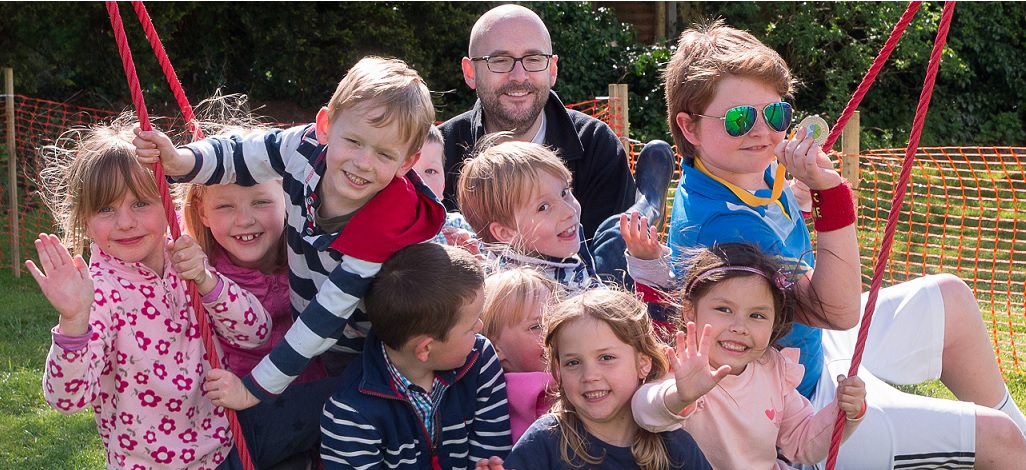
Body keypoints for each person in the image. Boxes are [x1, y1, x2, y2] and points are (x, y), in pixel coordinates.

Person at [657, 20, 1026, 468]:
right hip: (794, 412)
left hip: (812, 350)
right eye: (739, 119)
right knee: (1000, 440)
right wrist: (831, 196)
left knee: (950, 298)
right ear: (689, 128)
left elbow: (777, 226)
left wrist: (796, 195)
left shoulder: (742, 172)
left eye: (775, 115)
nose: (761, 131)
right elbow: (839, 311)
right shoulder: (720, 223)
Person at [133, 56, 446, 409]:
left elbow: (322, 321)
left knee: (348, 431)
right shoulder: (303, 148)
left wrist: (253, 389)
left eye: (384, 154)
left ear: (406, 163)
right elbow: (240, 153)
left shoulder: (384, 220)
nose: (363, 162)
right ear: (325, 125)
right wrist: (182, 162)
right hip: (318, 344)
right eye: (355, 141)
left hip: (374, 352)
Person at [26, 117, 271, 469]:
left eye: (140, 203)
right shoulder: (99, 294)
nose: (125, 222)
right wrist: (74, 321)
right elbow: (68, 399)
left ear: (167, 202)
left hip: (221, 452)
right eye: (106, 209)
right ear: (84, 218)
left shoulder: (184, 258)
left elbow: (255, 332)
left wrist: (205, 280)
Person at [629, 243, 867, 469]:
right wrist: (679, 397)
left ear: (774, 323)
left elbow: (803, 443)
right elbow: (643, 412)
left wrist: (843, 411)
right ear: (690, 311)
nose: (739, 327)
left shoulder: (774, 370)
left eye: (757, 316)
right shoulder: (682, 367)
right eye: (724, 309)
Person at [440, 4, 638, 243]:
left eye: (533, 59)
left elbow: (610, 264)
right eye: (500, 61)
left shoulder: (595, 146)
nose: (519, 76)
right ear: (470, 72)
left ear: (552, 69)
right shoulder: (439, 154)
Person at [181, 179, 340, 468]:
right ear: (203, 213)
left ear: (286, 200)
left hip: (315, 400)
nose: (244, 220)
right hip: (251, 413)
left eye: (261, 202)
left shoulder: (309, 259)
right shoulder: (200, 274)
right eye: (224, 206)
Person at [319, 242, 512, 469]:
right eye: (470, 327)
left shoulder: (479, 360)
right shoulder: (350, 414)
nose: (480, 327)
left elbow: (492, 444)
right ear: (425, 349)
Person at [502, 289, 712, 470]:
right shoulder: (544, 441)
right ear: (558, 370)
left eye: (606, 358)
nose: (590, 376)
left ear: (643, 364)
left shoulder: (674, 446)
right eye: (573, 363)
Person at [481, 266, 561, 442]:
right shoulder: (493, 407)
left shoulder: (585, 375)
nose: (553, 332)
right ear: (495, 349)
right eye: (535, 327)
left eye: (558, 320)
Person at [414, 124, 480, 254]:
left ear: (443, 185)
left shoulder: (458, 226)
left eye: (430, 171)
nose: (420, 181)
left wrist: (477, 259)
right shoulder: (377, 229)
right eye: (408, 172)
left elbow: (495, 269)